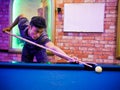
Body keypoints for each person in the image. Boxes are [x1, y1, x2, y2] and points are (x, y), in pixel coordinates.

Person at [3, 14, 78, 63]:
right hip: (27, 48)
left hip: (39, 49)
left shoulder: (42, 37)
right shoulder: (23, 25)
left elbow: (53, 48)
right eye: (36, 31)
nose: (38, 35)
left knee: (44, 67)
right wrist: (10, 27)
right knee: (25, 67)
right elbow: (20, 16)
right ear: (29, 27)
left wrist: (68, 58)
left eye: (41, 32)